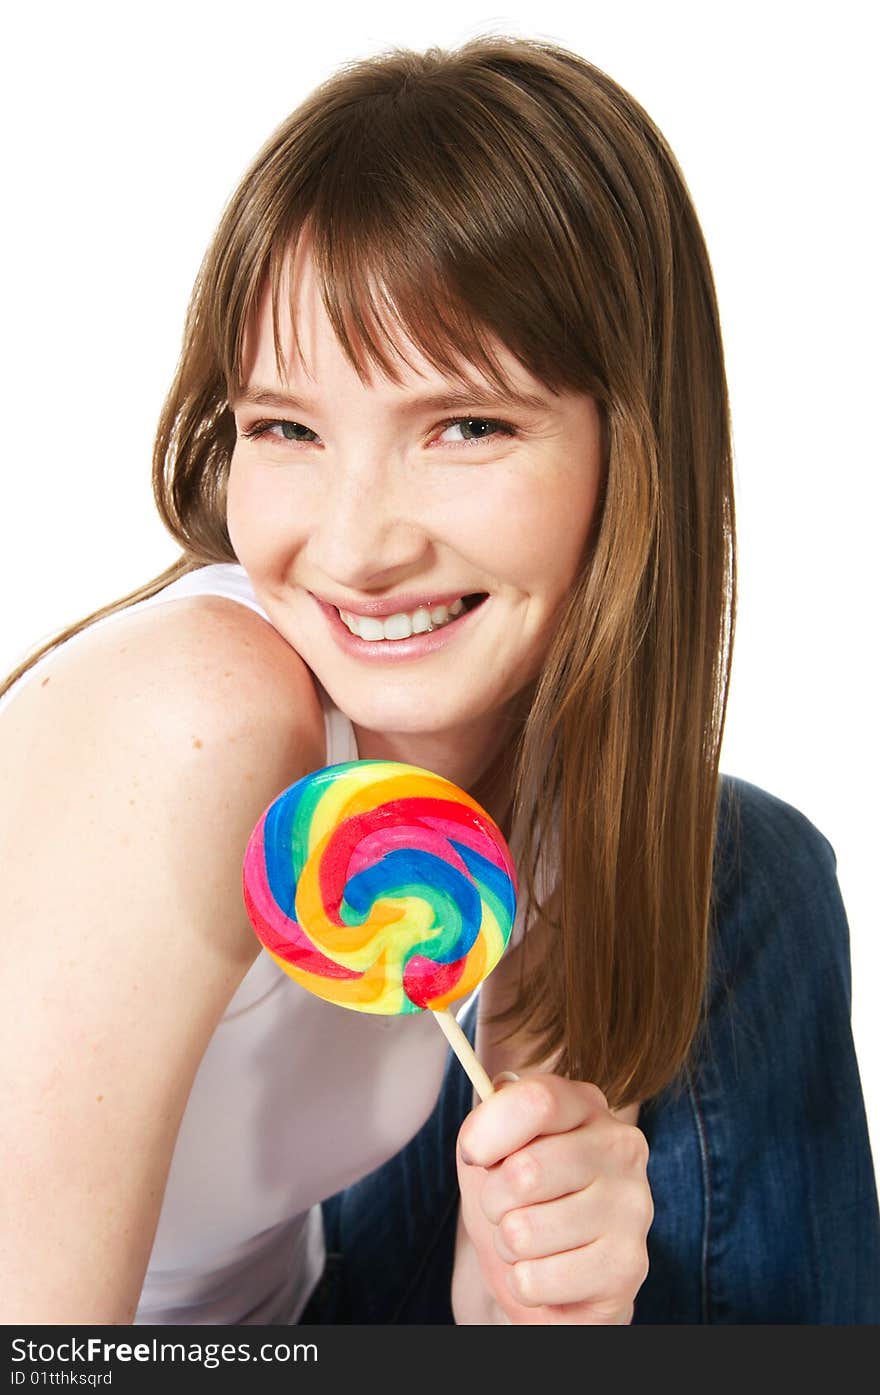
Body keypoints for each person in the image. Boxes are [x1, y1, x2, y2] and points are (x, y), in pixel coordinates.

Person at [1, 34, 877, 1326]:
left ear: (631, 445)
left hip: (306, 1307)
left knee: (743, 859)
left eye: (465, 425)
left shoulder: (557, 783)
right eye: (285, 429)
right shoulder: (192, 718)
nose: (354, 546)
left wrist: (521, 1302)